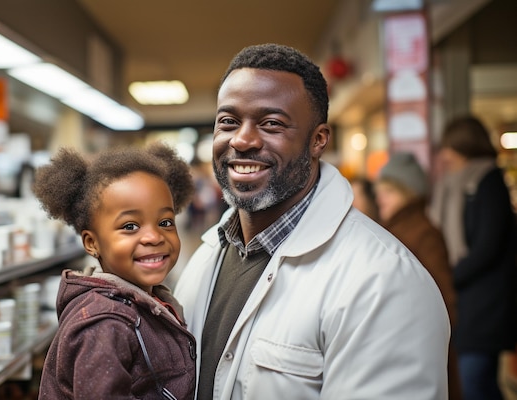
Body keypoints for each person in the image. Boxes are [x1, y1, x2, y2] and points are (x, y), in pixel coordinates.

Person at [174, 43, 450, 399]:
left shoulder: (384, 282)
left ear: (318, 140)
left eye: (271, 123)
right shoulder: (207, 254)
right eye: (228, 121)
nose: (242, 139)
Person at [34, 142, 197, 400]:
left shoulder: (148, 301)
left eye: (165, 222)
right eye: (130, 226)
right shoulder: (105, 325)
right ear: (92, 243)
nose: (154, 236)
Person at [429, 115, 517, 400]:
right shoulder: (452, 183)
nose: (444, 154)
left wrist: (448, 276)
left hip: (485, 302)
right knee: (473, 382)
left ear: (463, 145)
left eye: (449, 146)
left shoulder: (489, 181)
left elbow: (487, 247)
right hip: (466, 302)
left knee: (474, 381)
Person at [375, 152, 461, 399]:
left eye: (389, 191)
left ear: (409, 193)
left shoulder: (424, 234)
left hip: (418, 354)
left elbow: (446, 304)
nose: (381, 198)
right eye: (380, 190)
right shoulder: (393, 228)